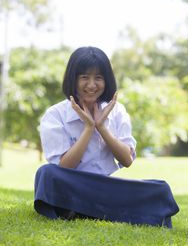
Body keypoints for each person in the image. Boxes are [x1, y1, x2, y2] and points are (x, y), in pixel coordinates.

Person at [34, 46, 179, 227]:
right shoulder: (55, 114)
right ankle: (94, 209)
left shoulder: (117, 111)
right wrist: (88, 128)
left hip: (106, 188)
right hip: (73, 185)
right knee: (46, 173)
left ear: (106, 80)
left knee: (160, 189)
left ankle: (79, 210)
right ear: (73, 79)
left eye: (98, 78)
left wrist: (101, 127)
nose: (92, 85)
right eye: (84, 77)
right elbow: (65, 167)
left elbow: (126, 160)